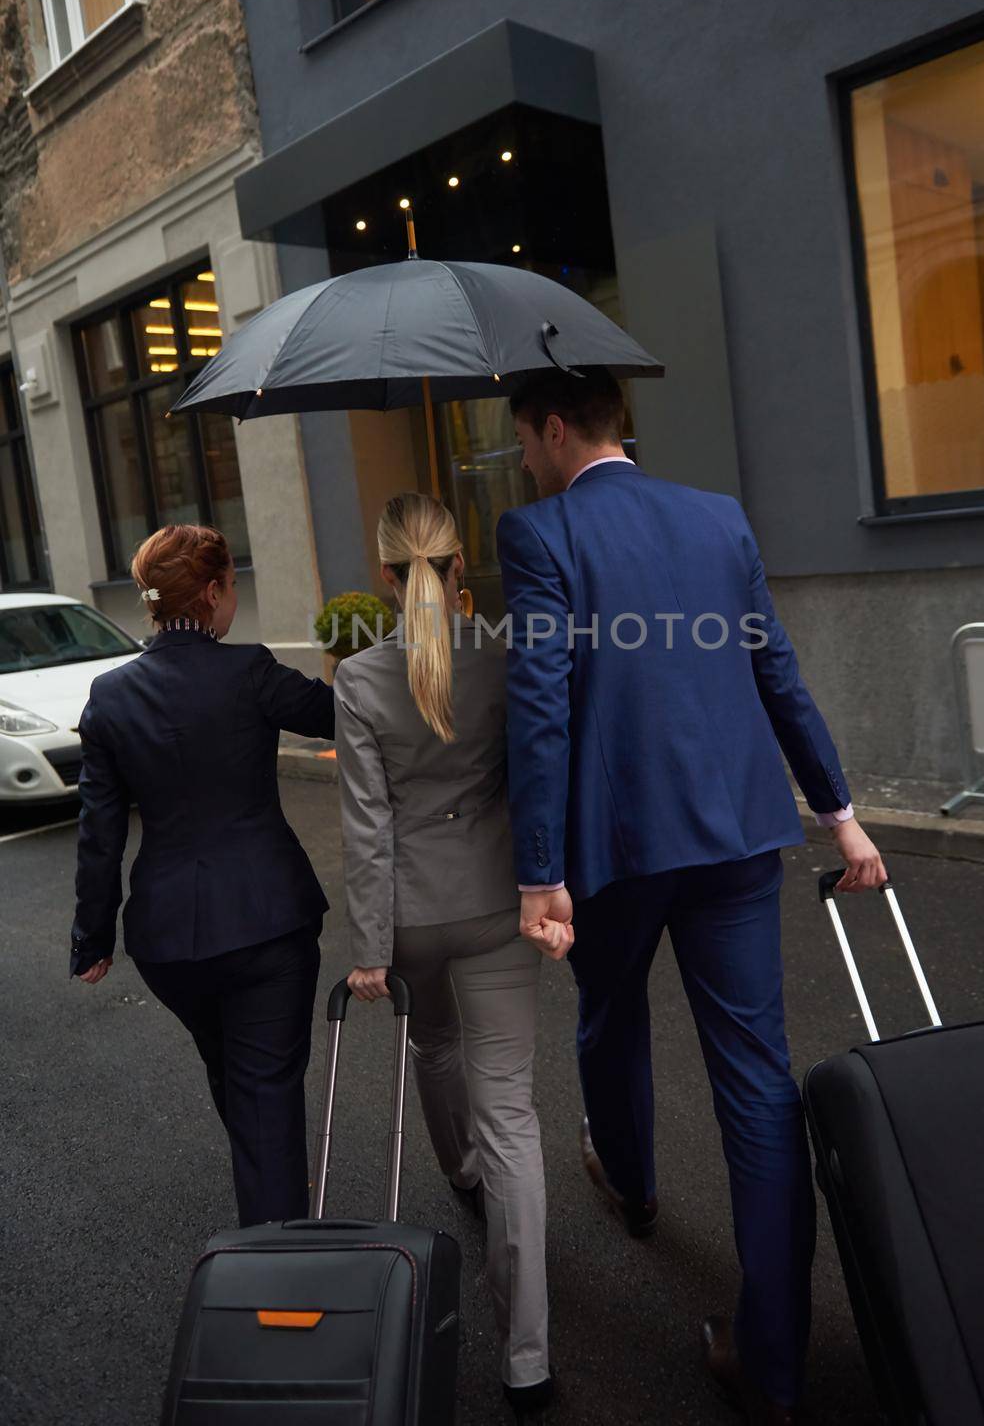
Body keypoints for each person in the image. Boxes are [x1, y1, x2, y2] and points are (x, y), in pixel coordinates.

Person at [497, 369, 887, 1426]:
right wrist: (838, 809)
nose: (526, 459)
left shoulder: (538, 534)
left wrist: (541, 874)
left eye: (527, 439)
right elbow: (776, 670)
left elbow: (539, 709)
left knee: (610, 1009)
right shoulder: (718, 518)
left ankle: (629, 1180)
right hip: (734, 832)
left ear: (559, 427)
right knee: (759, 1084)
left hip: (617, 845)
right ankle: (775, 1365)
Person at [334, 493, 567, 1421]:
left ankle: (459, 1171)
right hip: (500, 897)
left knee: (434, 1046)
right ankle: (528, 1355)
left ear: (388, 577)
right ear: (461, 568)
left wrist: (368, 949)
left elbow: (367, 828)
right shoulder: (504, 656)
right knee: (515, 1112)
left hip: (415, 913)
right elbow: (537, 772)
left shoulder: (357, 679)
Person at [70, 523, 335, 1229]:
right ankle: (282, 1284)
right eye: (232, 590)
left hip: (169, 944)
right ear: (214, 592)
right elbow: (339, 717)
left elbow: (99, 834)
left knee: (238, 1074)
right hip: (267, 926)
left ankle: (268, 1179)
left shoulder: (110, 694)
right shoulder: (251, 671)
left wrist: (91, 940)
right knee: (264, 1087)